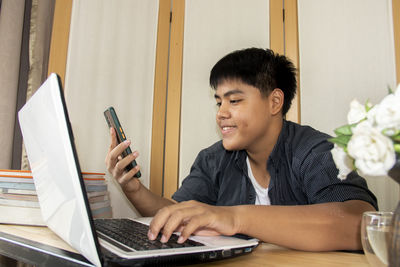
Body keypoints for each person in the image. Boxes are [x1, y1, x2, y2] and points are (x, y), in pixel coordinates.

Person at [105, 48, 377, 251]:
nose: (221, 113)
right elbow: (177, 212)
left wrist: (235, 217)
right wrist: (135, 190)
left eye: (234, 100)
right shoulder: (212, 159)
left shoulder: (315, 151)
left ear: (274, 102)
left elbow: (361, 223)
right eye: (218, 103)